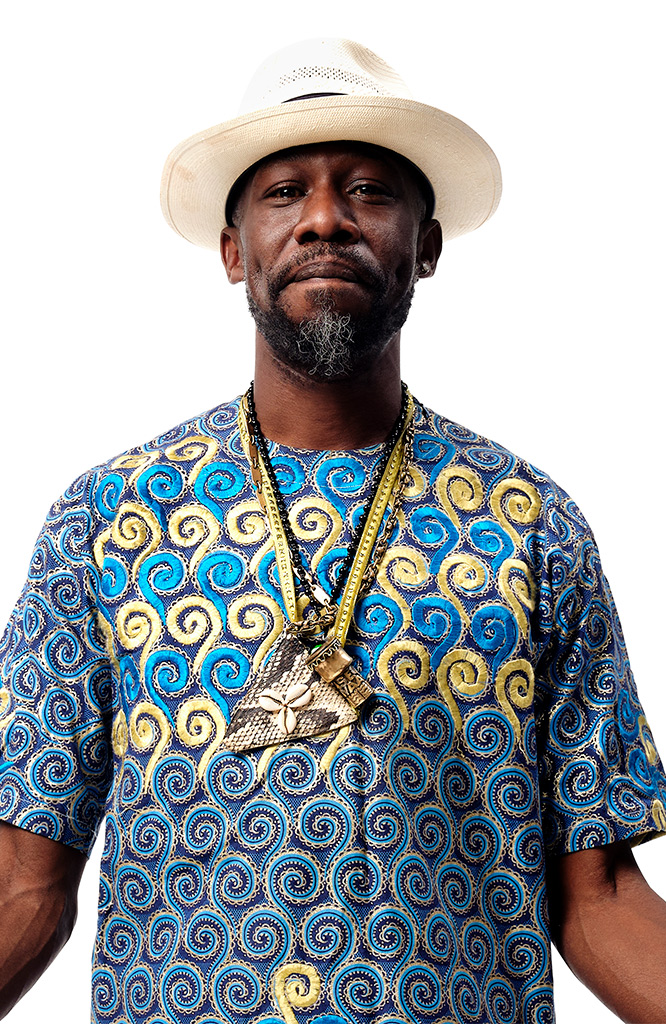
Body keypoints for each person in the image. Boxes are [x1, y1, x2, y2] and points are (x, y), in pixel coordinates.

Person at [0, 35, 665, 1024]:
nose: (324, 218)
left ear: (425, 245)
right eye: (284, 193)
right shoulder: (109, 519)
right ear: (233, 251)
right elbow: (24, 881)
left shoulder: (532, 526)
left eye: (367, 190)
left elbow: (599, 895)